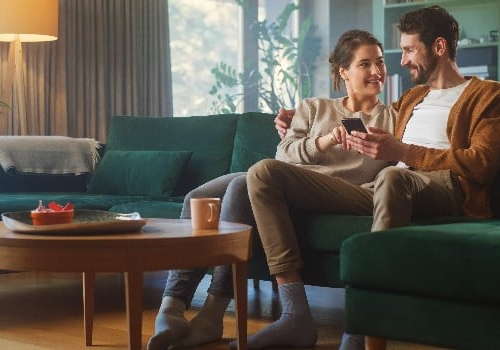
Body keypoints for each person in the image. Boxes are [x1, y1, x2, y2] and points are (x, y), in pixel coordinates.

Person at [242, 5, 500, 350]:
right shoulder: (413, 98)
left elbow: (482, 163)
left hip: (444, 187)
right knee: (263, 173)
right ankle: (295, 315)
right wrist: (295, 118)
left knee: (393, 178)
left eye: (410, 49)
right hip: (383, 188)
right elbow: (363, 107)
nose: (401, 60)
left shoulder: (489, 95)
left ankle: (361, 328)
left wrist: (402, 154)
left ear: (440, 48)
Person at [147, 29, 397, 350]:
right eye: (365, 64)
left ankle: (213, 313)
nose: (376, 71)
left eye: (380, 62)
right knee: (199, 197)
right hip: (287, 178)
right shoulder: (314, 107)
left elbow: (396, 163)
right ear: (343, 71)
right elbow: (284, 153)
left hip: (330, 190)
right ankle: (173, 306)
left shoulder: (392, 118)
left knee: (247, 182)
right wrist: (325, 140)